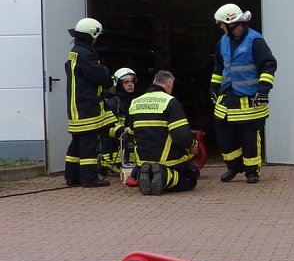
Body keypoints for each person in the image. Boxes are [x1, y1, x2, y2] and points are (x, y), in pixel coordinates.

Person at [210, 4, 277, 184]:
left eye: (222, 24)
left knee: (249, 137)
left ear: (232, 23)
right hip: (227, 97)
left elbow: (268, 66)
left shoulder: (256, 41)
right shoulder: (223, 41)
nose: (221, 27)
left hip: (249, 100)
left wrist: (263, 90)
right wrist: (214, 88)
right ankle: (233, 166)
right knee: (224, 135)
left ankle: (251, 171)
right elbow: (219, 67)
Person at [127, 70, 200, 196]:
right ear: (169, 85)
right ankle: (164, 175)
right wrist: (192, 145)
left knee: (145, 169)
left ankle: (145, 174)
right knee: (190, 176)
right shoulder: (171, 102)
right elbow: (181, 135)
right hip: (168, 162)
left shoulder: (135, 102)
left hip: (142, 161)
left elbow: (131, 131)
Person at [64, 17, 116, 188]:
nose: (97, 39)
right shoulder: (86, 54)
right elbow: (99, 76)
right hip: (86, 106)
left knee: (77, 142)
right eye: (96, 35)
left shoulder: (76, 51)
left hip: (77, 105)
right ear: (91, 35)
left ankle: (72, 177)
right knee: (89, 143)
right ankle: (89, 178)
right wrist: (105, 69)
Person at [100, 67, 138, 179]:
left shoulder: (135, 100)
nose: (130, 85)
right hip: (116, 141)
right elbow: (108, 128)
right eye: (126, 82)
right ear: (118, 84)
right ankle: (108, 164)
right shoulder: (113, 102)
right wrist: (124, 130)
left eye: (132, 82)